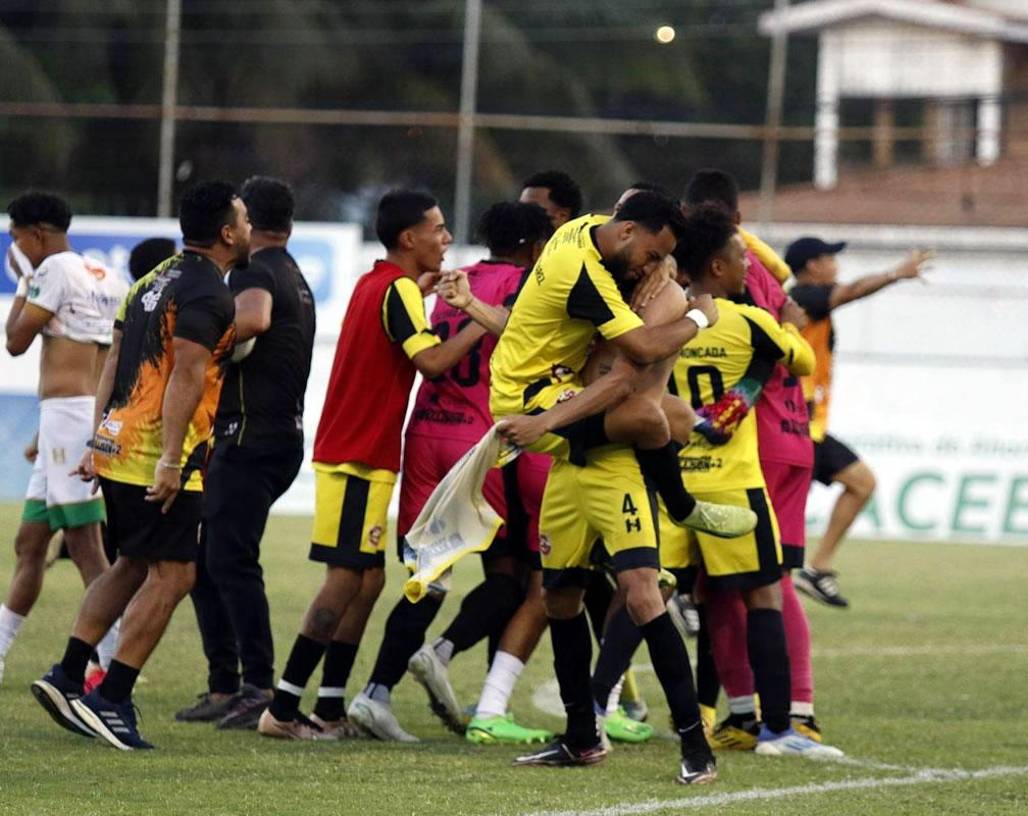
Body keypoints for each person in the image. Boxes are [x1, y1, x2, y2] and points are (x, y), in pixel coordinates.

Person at [488, 191, 740, 784]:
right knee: (560, 598)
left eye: (664, 258)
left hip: (598, 456)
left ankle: (693, 747)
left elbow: (630, 373)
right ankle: (582, 737)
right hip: (551, 423)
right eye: (652, 254)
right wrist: (704, 312)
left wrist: (678, 288)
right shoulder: (604, 278)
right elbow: (638, 356)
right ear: (629, 235)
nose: (650, 266)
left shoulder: (603, 247)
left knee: (641, 592)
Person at [589, 205, 838, 760]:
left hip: (672, 479)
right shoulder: (748, 321)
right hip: (732, 485)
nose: (750, 265)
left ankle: (595, 708)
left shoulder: (658, 324)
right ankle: (778, 730)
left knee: (646, 593)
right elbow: (797, 362)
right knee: (764, 595)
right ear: (719, 269)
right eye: (742, 257)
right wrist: (792, 328)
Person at [257, 190, 486, 740]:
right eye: (437, 228)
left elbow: (398, 331)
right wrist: (481, 321)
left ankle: (331, 708)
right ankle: (282, 711)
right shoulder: (399, 289)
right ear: (409, 239)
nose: (446, 237)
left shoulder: (379, 283)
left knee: (366, 579)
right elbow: (431, 362)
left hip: (365, 452)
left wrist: (428, 294)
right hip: (357, 456)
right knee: (343, 582)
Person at [30, 181, 248, 750]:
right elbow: (185, 376)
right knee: (175, 574)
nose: (247, 228)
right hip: (159, 455)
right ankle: (112, 697)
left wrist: (98, 439)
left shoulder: (154, 280)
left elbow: (114, 364)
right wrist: (172, 460)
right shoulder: (209, 294)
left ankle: (68, 674)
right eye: (242, 219)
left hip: (119, 446)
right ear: (227, 233)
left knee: (130, 563)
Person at [344, 201, 555, 743]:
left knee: (427, 576)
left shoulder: (444, 284)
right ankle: (440, 655)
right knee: (511, 576)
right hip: (478, 441)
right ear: (535, 246)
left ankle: (376, 695)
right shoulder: (526, 284)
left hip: (424, 434)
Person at [681, 169, 820, 740]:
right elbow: (795, 306)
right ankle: (744, 714)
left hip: (751, 441)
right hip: (790, 432)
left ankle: (794, 713)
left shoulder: (729, 280)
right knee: (729, 583)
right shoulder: (765, 277)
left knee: (766, 582)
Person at [177, 177, 316, 730]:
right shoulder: (292, 272)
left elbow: (253, 320)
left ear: (248, 224)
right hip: (272, 435)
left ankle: (255, 685)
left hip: (251, 435)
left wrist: (197, 342)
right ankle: (225, 682)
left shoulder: (255, 271)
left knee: (228, 560)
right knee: (211, 559)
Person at [0, 193, 128, 687]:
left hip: (67, 418)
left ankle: (112, 665)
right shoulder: (105, 277)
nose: (19, 249)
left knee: (85, 547)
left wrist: (24, 283)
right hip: (76, 416)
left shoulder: (51, 270)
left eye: (17, 239)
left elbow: (14, 341)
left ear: (36, 233)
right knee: (30, 543)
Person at [786, 237, 931, 608]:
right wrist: (896, 274)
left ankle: (817, 569)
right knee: (777, 515)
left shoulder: (807, 302)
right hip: (792, 425)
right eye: (829, 258)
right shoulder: (804, 297)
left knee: (862, 483)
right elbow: (850, 291)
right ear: (812, 265)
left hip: (809, 427)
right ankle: (694, 583)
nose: (835, 264)